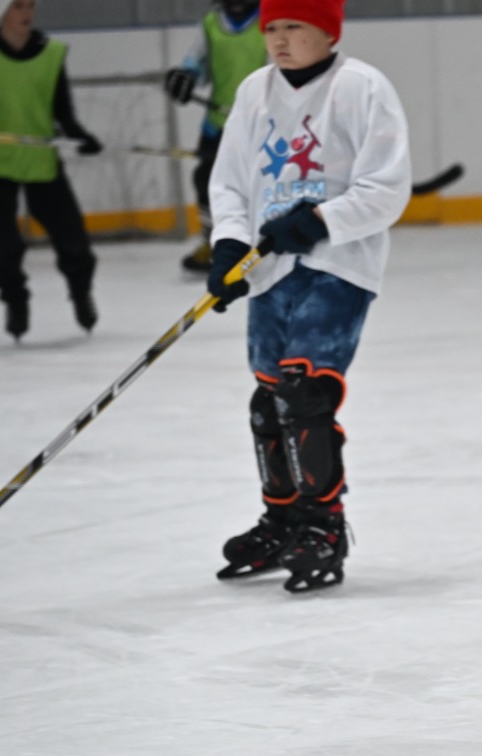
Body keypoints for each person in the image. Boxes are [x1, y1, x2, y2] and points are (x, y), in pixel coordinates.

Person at [205, 0, 411, 593]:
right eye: (272, 28)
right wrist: (228, 245)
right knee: (268, 404)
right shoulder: (254, 91)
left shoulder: (362, 88)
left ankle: (324, 526)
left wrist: (320, 220)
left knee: (306, 395)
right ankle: (284, 520)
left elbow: (386, 190)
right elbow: (230, 182)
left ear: (327, 29)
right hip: (269, 270)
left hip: (338, 265)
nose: (279, 39)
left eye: (293, 26)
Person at [0, 0, 102, 340]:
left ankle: (80, 292)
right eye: (17, 6)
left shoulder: (51, 53)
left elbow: (64, 113)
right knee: (6, 244)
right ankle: (15, 300)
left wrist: (82, 137)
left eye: (30, 5)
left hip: (41, 158)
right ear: (1, 13)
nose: (27, 13)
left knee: (72, 236)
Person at [163, 0, 265, 274]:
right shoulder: (211, 23)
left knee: (263, 184)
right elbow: (195, 62)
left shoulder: (270, 18)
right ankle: (213, 242)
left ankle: (263, 243)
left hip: (264, 125)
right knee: (207, 181)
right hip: (219, 125)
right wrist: (186, 78)